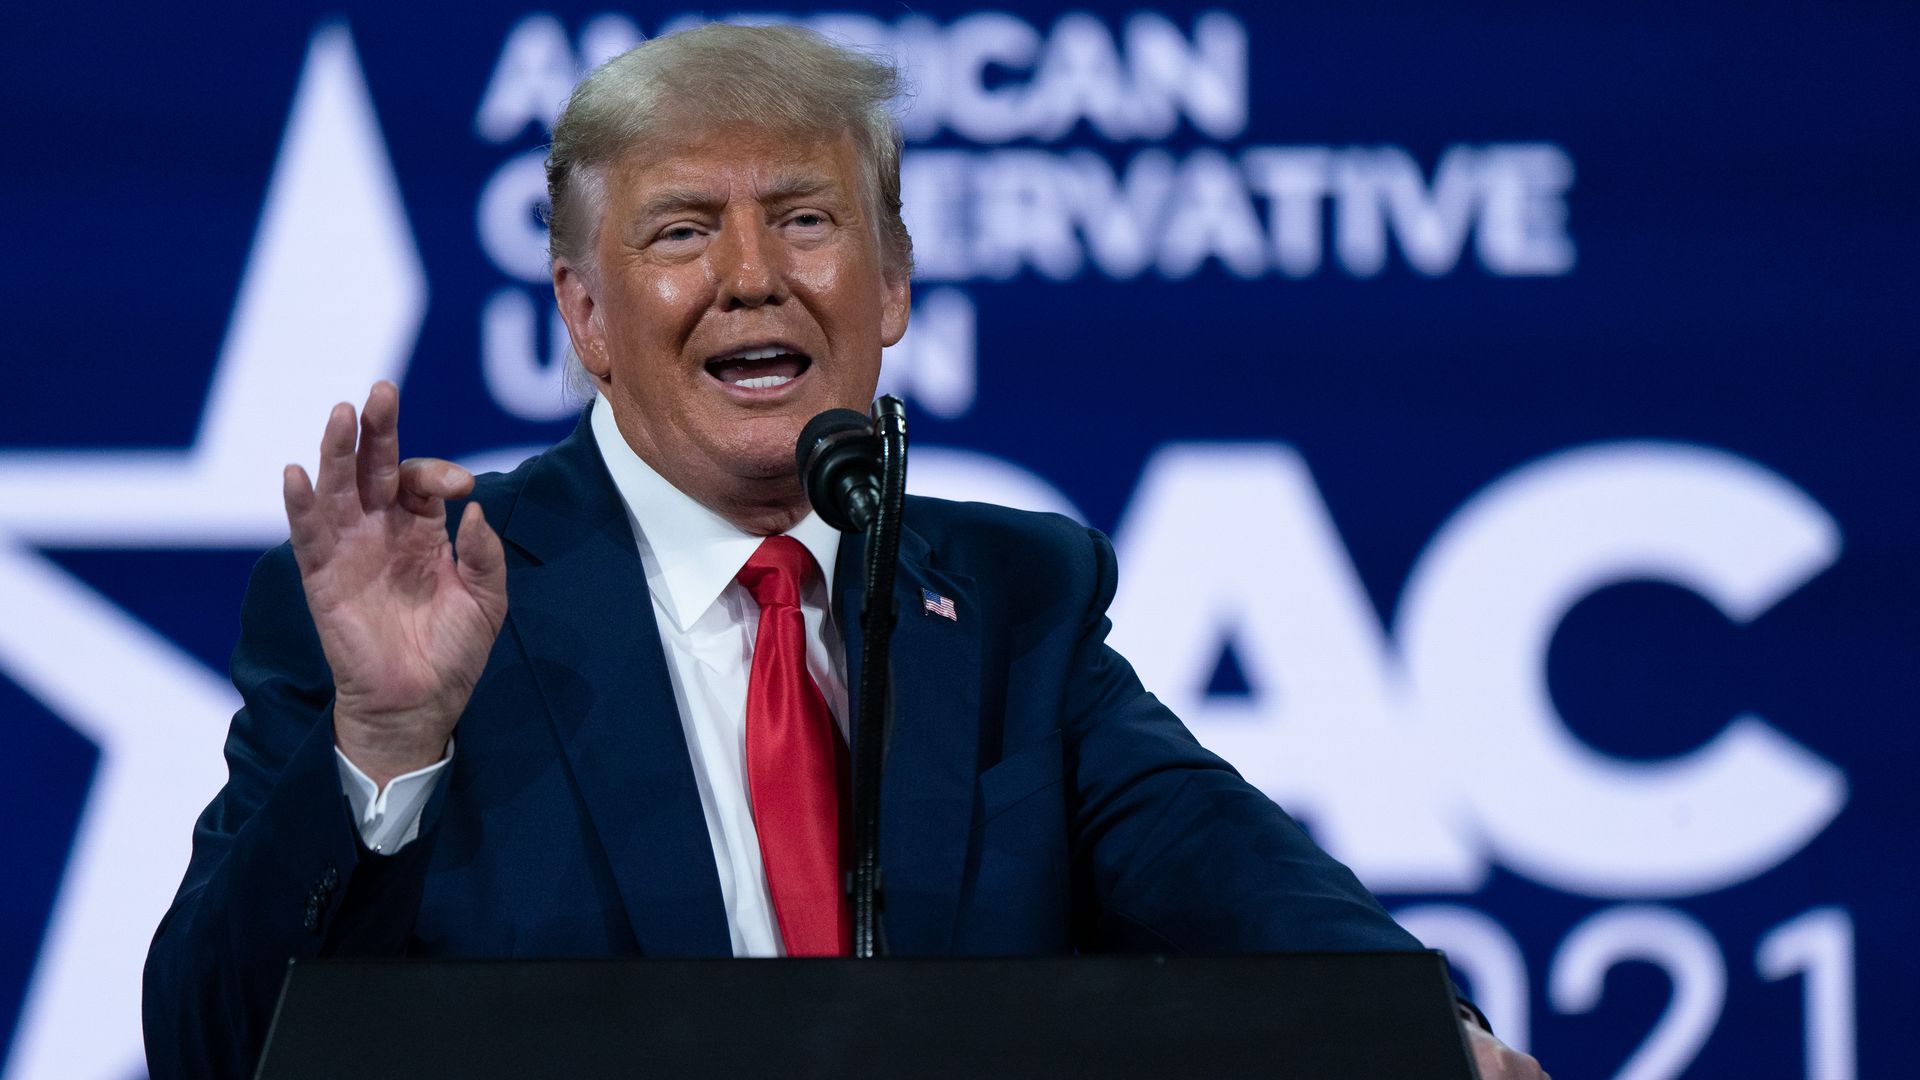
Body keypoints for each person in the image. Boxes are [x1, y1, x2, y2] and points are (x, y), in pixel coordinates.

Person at [142, 23, 1546, 1079]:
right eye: (683, 231)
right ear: (584, 314)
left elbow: (1237, 874)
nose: (754, 275)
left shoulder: (1011, 601)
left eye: (805, 222)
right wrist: (386, 745)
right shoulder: (443, 603)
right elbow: (213, 1047)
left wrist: (1442, 1036)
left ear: (892, 289)